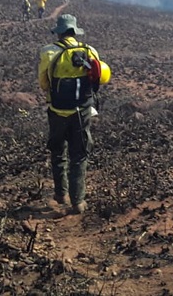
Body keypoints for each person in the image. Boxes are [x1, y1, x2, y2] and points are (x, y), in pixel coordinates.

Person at [38, 14, 111, 214]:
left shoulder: (48, 52)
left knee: (58, 151)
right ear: (75, 31)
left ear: (60, 32)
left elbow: (44, 83)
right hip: (82, 111)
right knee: (79, 154)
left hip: (57, 111)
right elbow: (99, 78)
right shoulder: (90, 51)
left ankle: (61, 195)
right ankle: (78, 201)